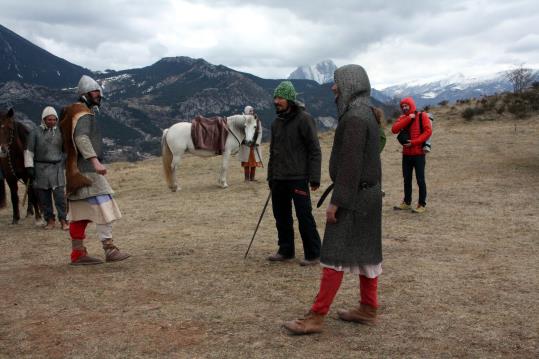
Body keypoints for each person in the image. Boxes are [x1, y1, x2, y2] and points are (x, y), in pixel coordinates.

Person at [283, 64, 383, 335]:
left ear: (350, 84)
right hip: (369, 196)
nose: (332, 87)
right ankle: (368, 308)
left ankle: (316, 316)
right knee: (367, 255)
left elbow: (351, 166)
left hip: (354, 196)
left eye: (337, 82)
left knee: (333, 256)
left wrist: (337, 202)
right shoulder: (368, 114)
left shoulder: (354, 118)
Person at [60, 75, 130, 265]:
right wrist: (95, 162)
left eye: (99, 91)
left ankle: (78, 254)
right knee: (104, 207)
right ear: (84, 93)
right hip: (87, 172)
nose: (99, 95)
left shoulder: (72, 112)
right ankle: (110, 249)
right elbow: (82, 138)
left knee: (80, 214)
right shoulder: (83, 113)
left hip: (75, 171)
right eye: (95, 92)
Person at [267, 81, 322, 266]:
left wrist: (314, 177)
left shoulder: (304, 119)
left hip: (298, 177)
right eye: (275, 97)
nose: (276, 101)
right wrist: (270, 176)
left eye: (280, 97)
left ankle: (314, 253)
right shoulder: (276, 123)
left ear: (290, 99)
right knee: (281, 216)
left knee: (304, 216)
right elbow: (273, 152)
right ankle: (286, 250)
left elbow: (314, 149)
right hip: (279, 178)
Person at [24, 106, 69, 230]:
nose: (52, 122)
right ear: (44, 119)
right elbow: (29, 151)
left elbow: (65, 149)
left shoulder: (60, 132)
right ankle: (50, 220)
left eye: (54, 120)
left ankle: (64, 220)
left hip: (57, 168)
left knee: (60, 197)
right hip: (41, 168)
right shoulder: (35, 133)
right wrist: (29, 167)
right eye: (49, 119)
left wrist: (63, 160)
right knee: (44, 198)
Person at [391, 97, 432, 213]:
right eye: (402, 106)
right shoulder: (403, 118)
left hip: (418, 154)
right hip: (406, 155)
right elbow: (394, 129)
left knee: (420, 180)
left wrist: (414, 142)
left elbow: (428, 131)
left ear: (411, 105)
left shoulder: (422, 116)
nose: (404, 108)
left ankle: (421, 204)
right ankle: (407, 202)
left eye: (406, 106)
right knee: (406, 179)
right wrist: (408, 118)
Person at [239, 105, 262, 181]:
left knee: (254, 161)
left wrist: (257, 142)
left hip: (254, 145)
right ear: (246, 112)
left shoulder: (257, 120)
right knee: (246, 162)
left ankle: (252, 178)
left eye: (252, 111)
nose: (252, 112)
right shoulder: (243, 121)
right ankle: (246, 178)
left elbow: (260, 132)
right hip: (246, 145)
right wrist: (243, 140)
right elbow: (241, 132)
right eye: (250, 111)